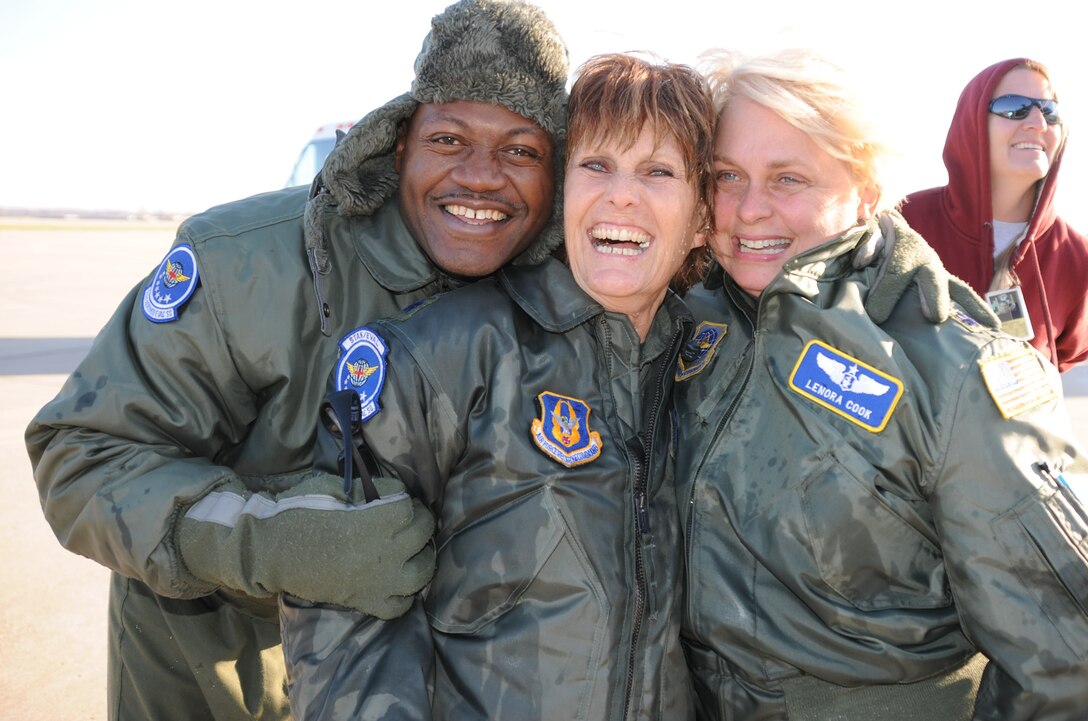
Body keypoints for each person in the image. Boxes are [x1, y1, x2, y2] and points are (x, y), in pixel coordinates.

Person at [23, 1, 569, 719]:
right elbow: (83, 454)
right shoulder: (247, 265)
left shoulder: (566, 290)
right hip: (217, 678)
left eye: (520, 150)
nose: (481, 177)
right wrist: (272, 541)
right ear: (400, 144)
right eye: (450, 138)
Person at [278, 52, 716, 720]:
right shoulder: (445, 353)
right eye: (596, 165)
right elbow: (345, 608)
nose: (621, 194)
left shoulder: (713, 369)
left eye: (657, 171)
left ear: (702, 219)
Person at [675, 48, 1088, 720]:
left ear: (865, 189)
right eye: (728, 176)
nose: (749, 209)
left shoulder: (955, 369)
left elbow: (1066, 656)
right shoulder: (684, 324)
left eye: (788, 178)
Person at [902, 58, 1088, 372]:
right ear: (971, 122)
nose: (1037, 123)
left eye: (1049, 111)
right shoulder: (904, 223)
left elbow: (1065, 359)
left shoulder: (1076, 259)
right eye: (1014, 107)